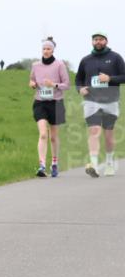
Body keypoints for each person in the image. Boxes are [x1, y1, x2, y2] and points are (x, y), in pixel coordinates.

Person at [76, 32, 125, 178]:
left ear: (106, 41)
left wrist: (109, 78)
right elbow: (78, 79)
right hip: (91, 101)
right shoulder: (85, 60)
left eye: (101, 39)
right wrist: (80, 89)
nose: (98, 42)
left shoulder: (115, 57)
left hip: (111, 101)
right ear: (92, 42)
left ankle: (109, 163)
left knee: (108, 134)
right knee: (94, 131)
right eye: (95, 39)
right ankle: (94, 165)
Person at [29, 38, 69, 177]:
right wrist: (32, 84)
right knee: (43, 134)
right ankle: (41, 166)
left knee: (53, 137)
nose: (46, 51)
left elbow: (66, 85)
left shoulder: (60, 65)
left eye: (48, 49)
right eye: (44, 49)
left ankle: (54, 163)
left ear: (53, 50)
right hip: (40, 102)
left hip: (56, 102)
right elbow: (32, 79)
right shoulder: (35, 65)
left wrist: (54, 85)